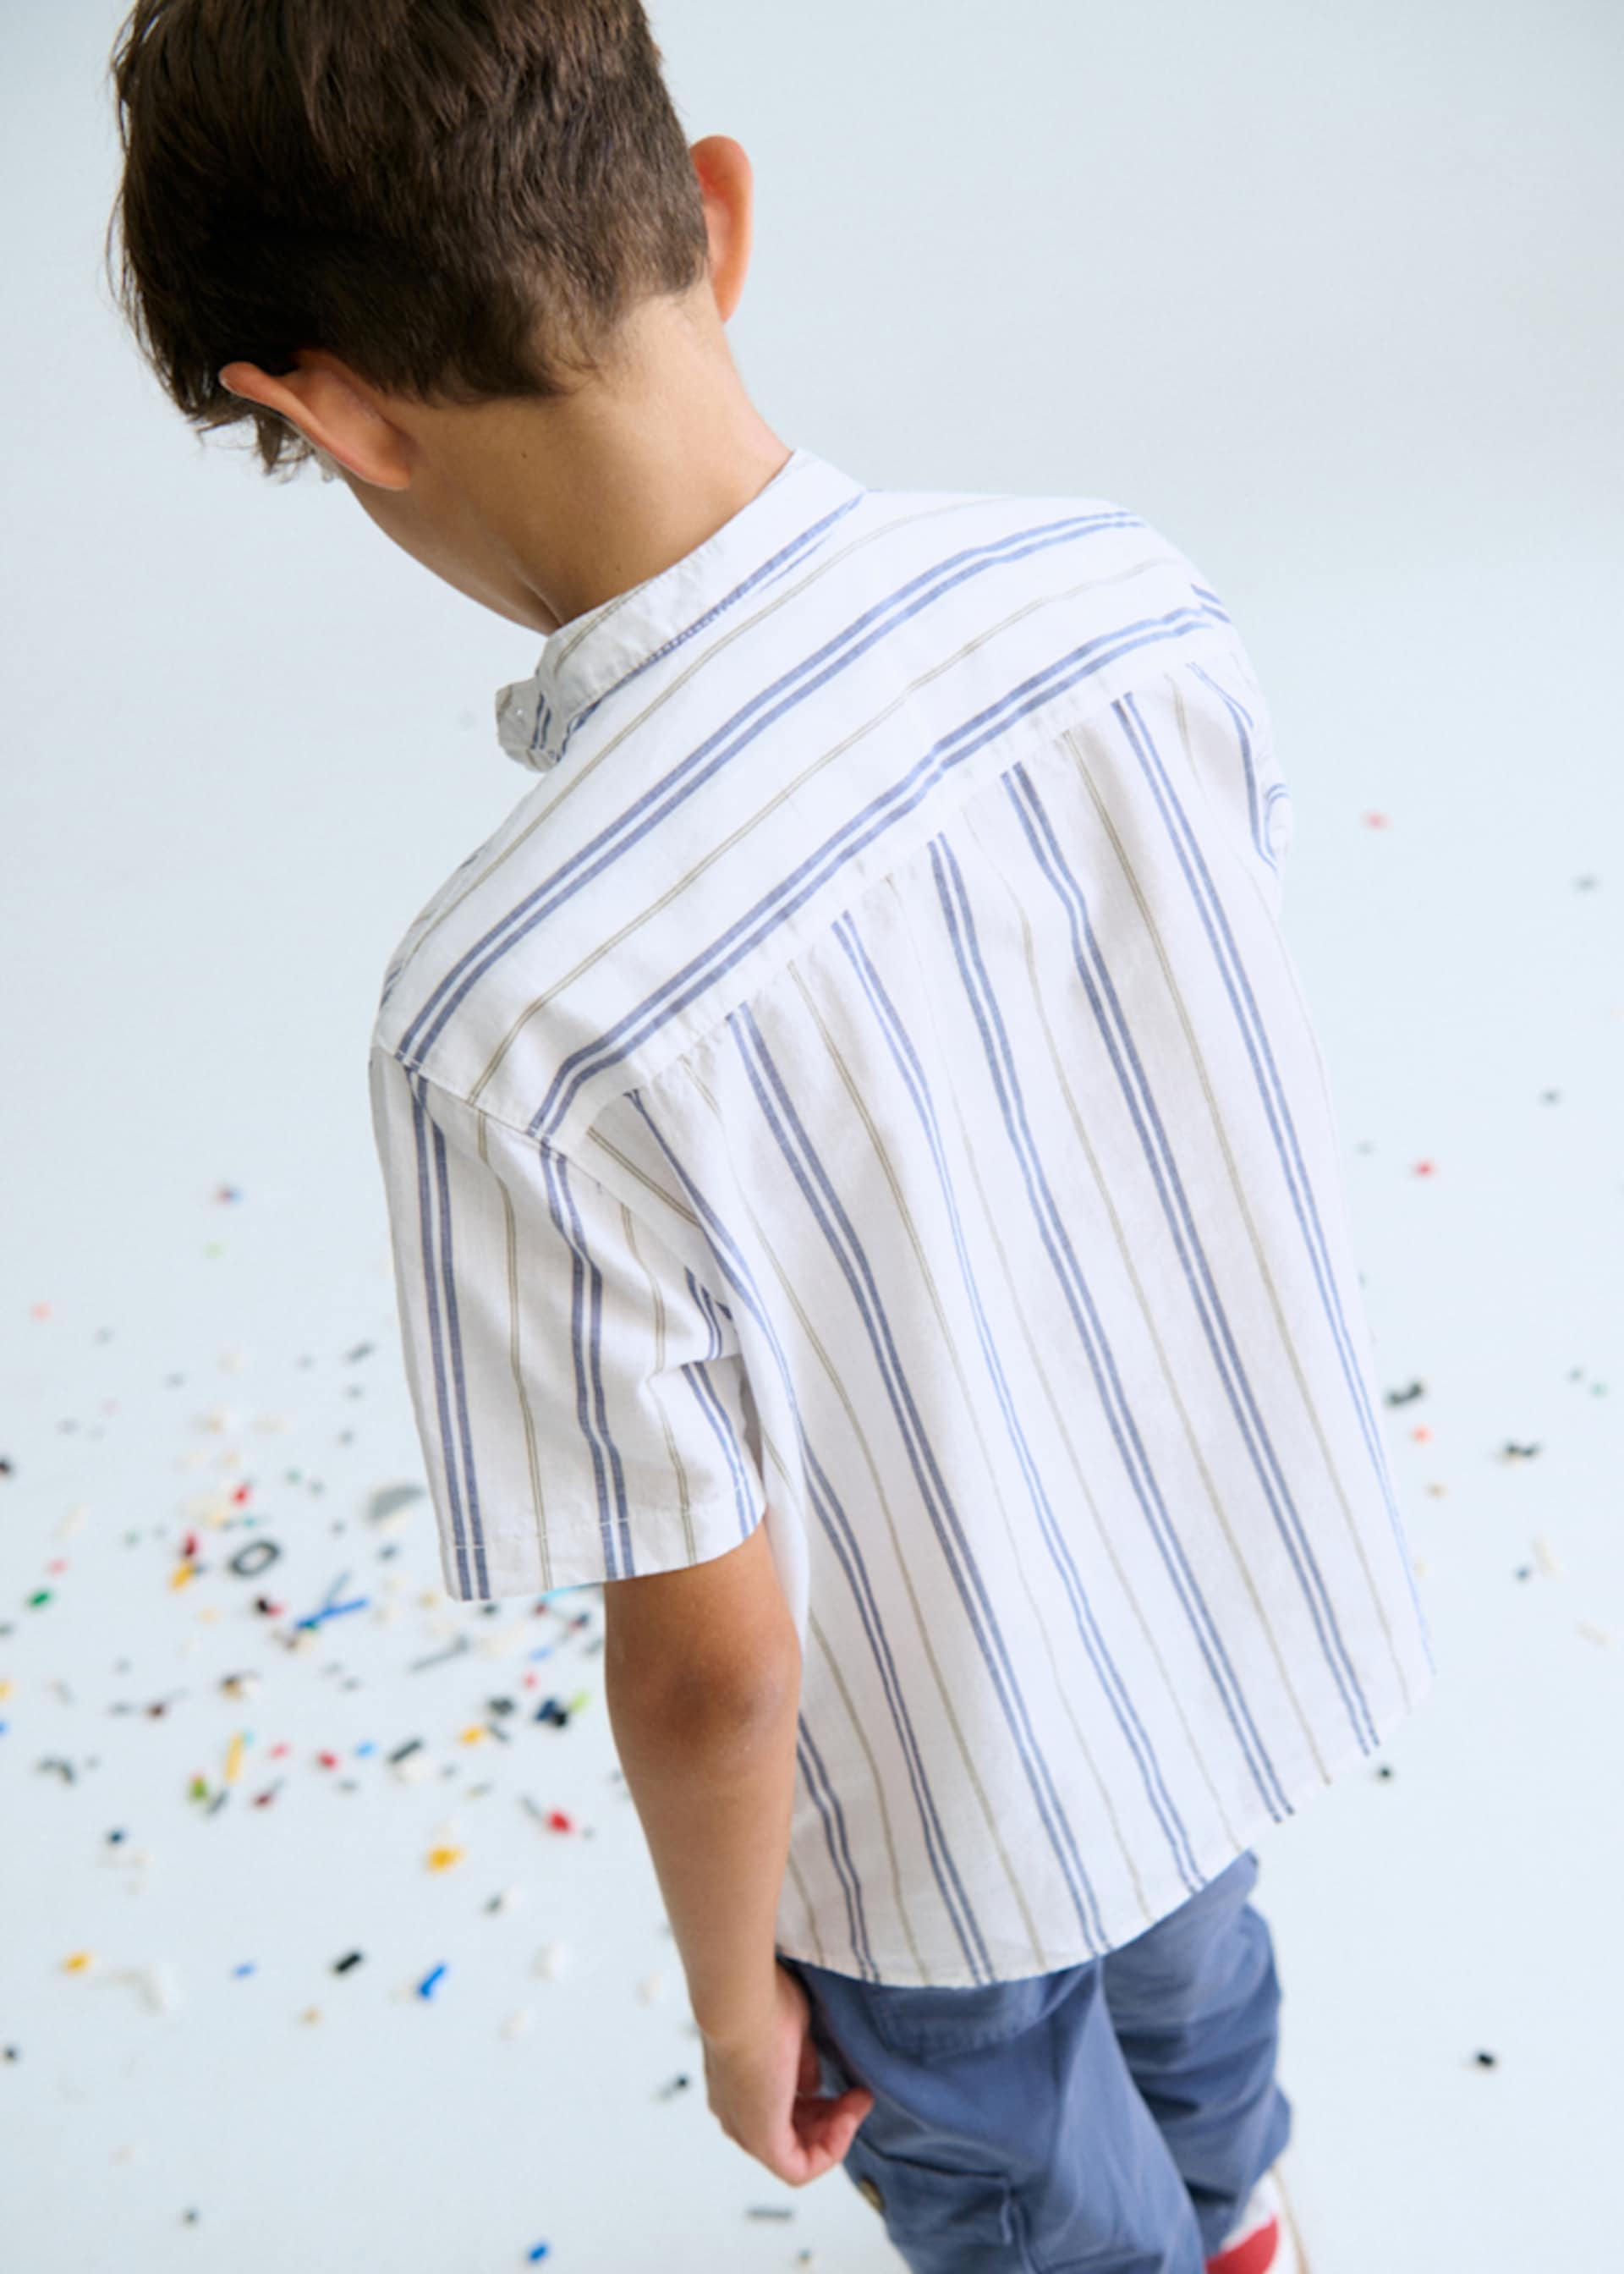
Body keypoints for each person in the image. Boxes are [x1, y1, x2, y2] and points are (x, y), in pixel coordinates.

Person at [105, 6, 1435, 2268]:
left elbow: (715, 1665)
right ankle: (1242, 2225)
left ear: (333, 415)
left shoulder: (510, 1015)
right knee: (1203, 2004)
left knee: (1032, 2180)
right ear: (711, 212)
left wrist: (735, 2005)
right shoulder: (1120, 600)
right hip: (1221, 1632)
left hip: (932, 1845)